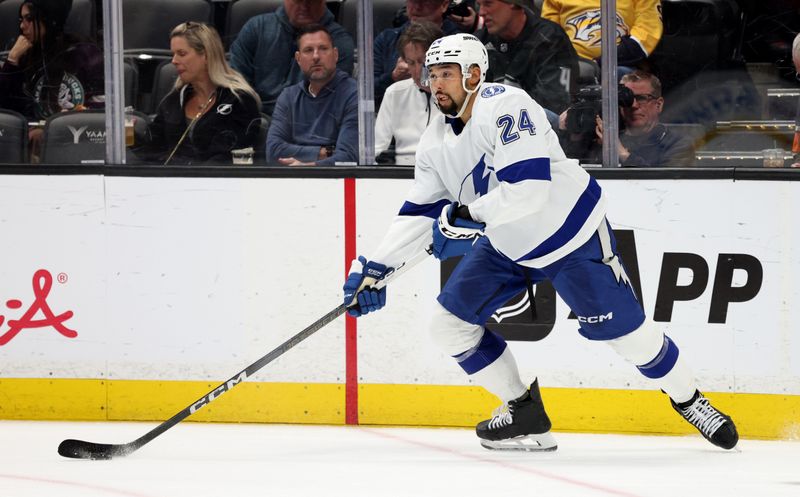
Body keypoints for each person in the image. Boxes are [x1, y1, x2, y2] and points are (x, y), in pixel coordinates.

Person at [342, 34, 738, 452]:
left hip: (569, 235)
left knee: (629, 338)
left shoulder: (508, 107)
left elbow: (528, 191)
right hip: (507, 243)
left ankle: (690, 400)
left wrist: (467, 217)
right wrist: (374, 268)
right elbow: (420, 211)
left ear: (474, 75)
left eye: (447, 74)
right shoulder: (434, 140)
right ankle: (523, 410)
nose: (436, 83)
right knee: (449, 326)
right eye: (432, 74)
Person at [132, 22, 261, 165]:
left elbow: (229, 159)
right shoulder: (173, 100)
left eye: (182, 54)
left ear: (206, 55)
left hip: (219, 184)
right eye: (173, 54)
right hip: (173, 183)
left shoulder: (239, 101)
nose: (174, 61)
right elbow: (153, 151)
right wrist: (128, 135)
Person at [0, 0, 103, 160]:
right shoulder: (25, 54)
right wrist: (12, 61)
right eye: (21, 20)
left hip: (76, 141)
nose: (22, 26)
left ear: (47, 18)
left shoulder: (84, 52)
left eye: (29, 19)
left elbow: (100, 106)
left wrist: (55, 127)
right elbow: (7, 109)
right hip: (31, 146)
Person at [229, 0, 354, 116]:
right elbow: (236, 82)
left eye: (311, 0)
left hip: (307, 122)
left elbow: (327, 100)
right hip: (253, 116)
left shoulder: (338, 42)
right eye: (298, 0)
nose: (304, 6)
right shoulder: (256, 28)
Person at [266, 24, 358, 166]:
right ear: (298, 58)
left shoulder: (354, 94)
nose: (316, 56)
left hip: (336, 182)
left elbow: (348, 157)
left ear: (335, 55)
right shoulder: (288, 96)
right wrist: (326, 152)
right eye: (308, 50)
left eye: (323, 49)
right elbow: (273, 151)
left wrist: (307, 167)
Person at [475, 0, 579, 116]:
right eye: (479, 5)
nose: (481, 12)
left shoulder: (549, 39)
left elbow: (555, 106)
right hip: (487, 129)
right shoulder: (478, 43)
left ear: (513, 3)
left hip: (538, 130)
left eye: (488, 4)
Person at [374, 21, 443, 165]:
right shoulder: (394, 93)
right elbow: (377, 149)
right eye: (411, 63)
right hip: (400, 177)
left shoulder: (459, 95)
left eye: (423, 62)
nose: (417, 72)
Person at [593, 70, 695, 167]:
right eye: (627, 98)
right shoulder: (605, 141)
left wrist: (621, 152)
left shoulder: (678, 145)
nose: (633, 105)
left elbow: (666, 183)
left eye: (641, 98)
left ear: (658, 104)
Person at [374, 0, 463, 109]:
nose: (416, 7)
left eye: (424, 2)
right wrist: (392, 77)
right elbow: (365, 96)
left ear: (444, 5)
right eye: (412, 1)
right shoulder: (386, 39)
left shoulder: (460, 43)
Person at [541, 0, 662, 77]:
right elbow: (549, 37)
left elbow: (646, 37)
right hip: (571, 66)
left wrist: (600, 63)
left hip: (621, 66)